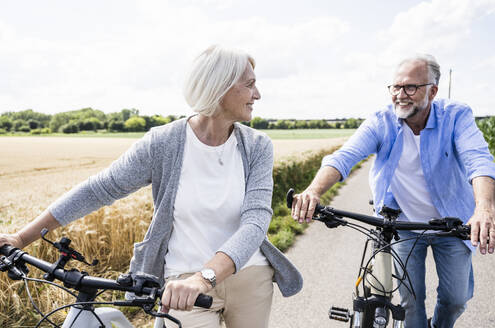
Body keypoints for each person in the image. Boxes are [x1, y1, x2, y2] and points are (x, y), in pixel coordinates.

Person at [0, 45, 303, 328]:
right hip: (181, 284)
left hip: (248, 275)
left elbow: (255, 224)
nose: (258, 94)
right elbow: (99, 189)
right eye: (249, 85)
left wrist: (205, 278)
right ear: (219, 87)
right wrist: (20, 237)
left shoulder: (257, 146)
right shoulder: (163, 143)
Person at [291, 54, 495, 328]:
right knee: (409, 302)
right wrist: (313, 191)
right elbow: (344, 156)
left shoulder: (456, 116)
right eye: (396, 87)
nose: (401, 95)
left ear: (433, 91)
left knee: (456, 298)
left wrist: (484, 207)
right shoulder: (382, 121)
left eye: (410, 87)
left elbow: (479, 161)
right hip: (402, 224)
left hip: (452, 224)